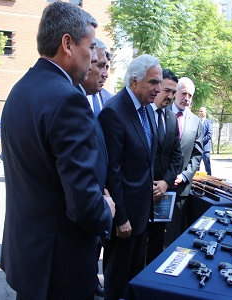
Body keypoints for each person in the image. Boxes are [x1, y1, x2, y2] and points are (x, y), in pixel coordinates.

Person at [0, 2, 115, 299]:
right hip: (59, 266)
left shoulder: (20, 89)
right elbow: (83, 203)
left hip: (29, 259)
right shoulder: (67, 100)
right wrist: (106, 210)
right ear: (67, 44)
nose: (93, 58)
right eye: (89, 48)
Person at [98, 54, 161, 299]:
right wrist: (120, 218)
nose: (158, 89)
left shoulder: (146, 110)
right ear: (134, 81)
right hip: (124, 220)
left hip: (142, 216)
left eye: (159, 82)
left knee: (135, 279)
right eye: (153, 82)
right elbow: (112, 171)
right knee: (117, 282)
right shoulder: (114, 111)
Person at [79, 38, 112, 297]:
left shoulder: (108, 101)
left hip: (105, 191)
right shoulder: (73, 99)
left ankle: (93, 278)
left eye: (107, 67)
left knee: (98, 244)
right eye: (99, 64)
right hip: (87, 196)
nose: (104, 72)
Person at [145, 69, 182, 264]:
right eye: (167, 90)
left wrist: (166, 183)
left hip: (162, 196)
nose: (170, 96)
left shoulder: (171, 118)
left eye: (173, 92)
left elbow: (176, 156)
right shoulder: (141, 114)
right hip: (140, 194)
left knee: (156, 248)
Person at [164, 77, 203, 247]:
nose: (187, 98)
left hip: (181, 189)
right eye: (184, 93)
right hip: (158, 187)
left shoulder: (196, 122)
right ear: (175, 93)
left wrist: (185, 176)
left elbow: (197, 154)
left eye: (190, 95)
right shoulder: (161, 113)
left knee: (174, 238)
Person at [81, 38, 113, 117]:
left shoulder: (111, 100)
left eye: (107, 68)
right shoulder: (68, 98)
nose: (105, 75)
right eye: (101, 66)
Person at [198, 106, 212, 175]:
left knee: (207, 166)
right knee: (196, 166)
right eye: (199, 111)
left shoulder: (208, 122)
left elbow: (209, 135)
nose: (200, 113)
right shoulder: (197, 121)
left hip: (205, 149)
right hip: (197, 148)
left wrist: (201, 141)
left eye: (201, 111)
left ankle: (210, 180)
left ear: (205, 112)